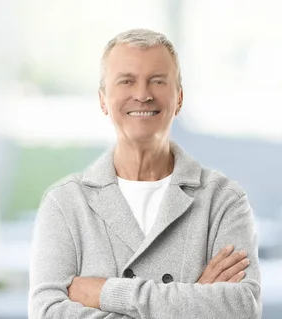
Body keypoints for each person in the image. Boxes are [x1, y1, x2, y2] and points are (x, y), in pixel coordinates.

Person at [28, 28, 261, 319]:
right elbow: (47, 312)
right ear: (103, 99)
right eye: (127, 81)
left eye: (157, 81)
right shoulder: (65, 204)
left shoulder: (223, 200)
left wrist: (106, 293)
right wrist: (195, 301)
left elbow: (242, 307)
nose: (142, 94)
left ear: (179, 98)